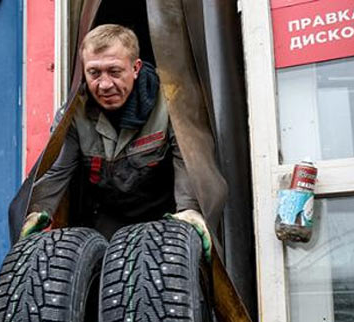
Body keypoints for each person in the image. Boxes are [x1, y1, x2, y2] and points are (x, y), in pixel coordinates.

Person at [20, 24, 212, 259]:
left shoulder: (171, 103)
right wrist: (37, 210)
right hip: (110, 216)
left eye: (114, 71)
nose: (104, 85)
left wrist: (189, 209)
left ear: (135, 68)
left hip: (166, 213)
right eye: (94, 73)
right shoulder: (73, 115)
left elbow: (188, 159)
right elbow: (57, 170)